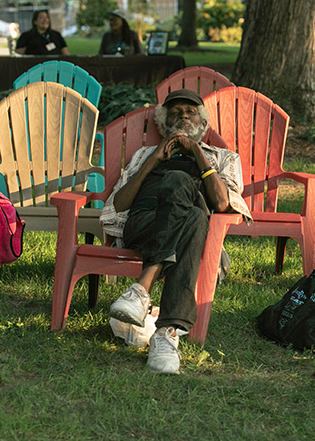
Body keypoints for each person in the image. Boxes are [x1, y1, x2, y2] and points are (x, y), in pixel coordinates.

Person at [99, 89, 250, 374]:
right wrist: (153, 160)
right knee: (191, 215)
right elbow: (120, 204)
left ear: (203, 124)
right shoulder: (145, 154)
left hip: (194, 227)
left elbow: (220, 202)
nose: (183, 116)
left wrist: (196, 153)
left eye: (190, 112)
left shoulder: (223, 157)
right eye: (175, 112)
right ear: (164, 124)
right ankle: (166, 334)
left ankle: (143, 294)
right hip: (144, 222)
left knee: (191, 210)